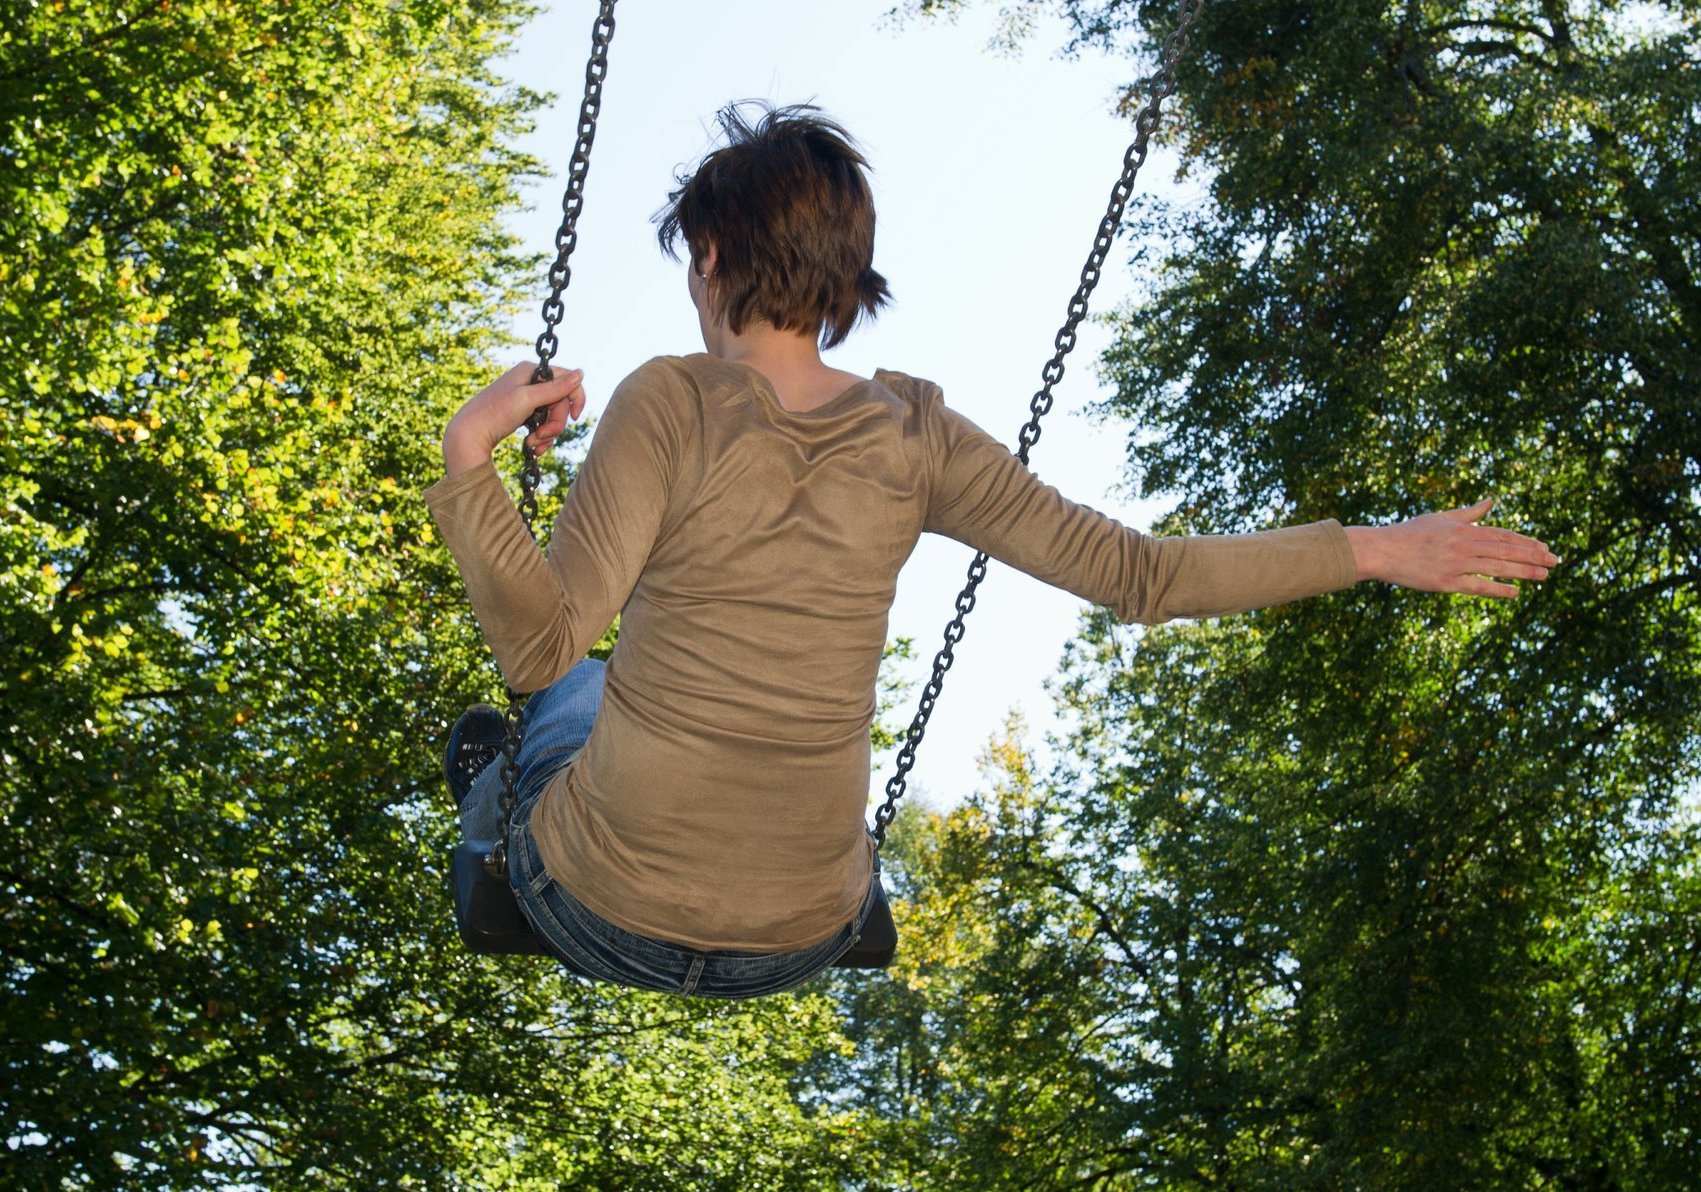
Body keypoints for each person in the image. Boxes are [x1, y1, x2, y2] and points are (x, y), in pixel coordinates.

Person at [425, 102, 1557, 999]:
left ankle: (491, 787)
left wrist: (473, 453)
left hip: (599, 906)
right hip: (803, 934)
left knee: (568, 689)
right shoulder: (918, 437)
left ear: (711, 257)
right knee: (594, 701)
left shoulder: (668, 400)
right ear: (838, 274)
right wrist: (1373, 546)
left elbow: (537, 640)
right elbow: (1144, 575)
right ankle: (515, 782)